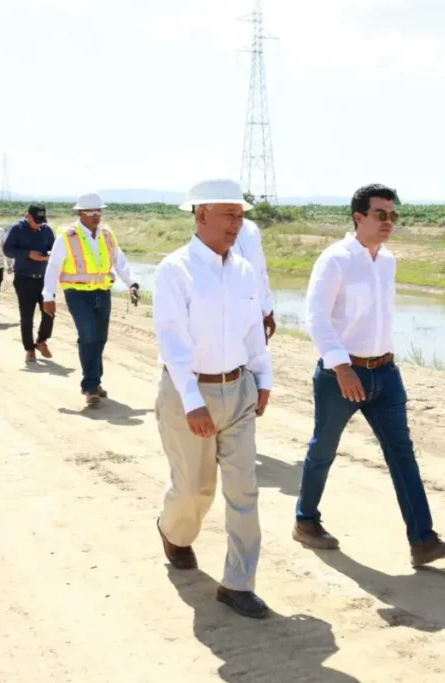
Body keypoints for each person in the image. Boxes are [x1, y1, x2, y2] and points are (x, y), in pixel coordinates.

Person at [293, 183, 445, 567]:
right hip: (342, 375)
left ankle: (423, 541)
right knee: (324, 449)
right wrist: (341, 368)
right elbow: (317, 319)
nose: (389, 222)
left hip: (384, 373)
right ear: (359, 217)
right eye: (381, 215)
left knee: (402, 453)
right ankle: (306, 520)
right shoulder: (335, 259)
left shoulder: (387, 261)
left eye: (393, 215)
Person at [153, 178, 273, 619]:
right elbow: (173, 342)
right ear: (201, 215)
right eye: (229, 215)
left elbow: (253, 333)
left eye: (241, 216)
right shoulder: (175, 269)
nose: (237, 224)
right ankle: (173, 532)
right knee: (194, 489)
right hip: (190, 391)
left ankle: (238, 583)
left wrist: (263, 378)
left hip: (238, 390)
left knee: (244, 491)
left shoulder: (243, 270)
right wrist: (191, 400)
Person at [42, 193, 139, 404]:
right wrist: (48, 296)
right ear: (80, 213)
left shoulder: (107, 234)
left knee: (100, 338)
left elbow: (119, 261)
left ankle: (95, 380)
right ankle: (90, 386)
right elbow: (53, 267)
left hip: (102, 292)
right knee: (88, 336)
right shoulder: (67, 237)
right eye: (91, 212)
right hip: (77, 294)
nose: (96, 216)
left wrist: (132, 283)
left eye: (99, 212)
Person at [4, 204, 56, 362]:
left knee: (49, 312)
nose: (38, 224)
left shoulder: (46, 230)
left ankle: (41, 341)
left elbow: (54, 249)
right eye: (36, 221)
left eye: (41, 221)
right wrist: (27, 254)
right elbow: (7, 250)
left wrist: (48, 255)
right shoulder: (17, 229)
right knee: (27, 316)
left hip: (45, 278)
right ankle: (29, 349)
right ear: (28, 216)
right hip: (24, 278)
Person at [231, 218, 276, 341]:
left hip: (256, 318)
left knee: (259, 358)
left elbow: (261, 272)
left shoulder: (251, 228)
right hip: (230, 322)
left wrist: (268, 312)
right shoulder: (213, 232)